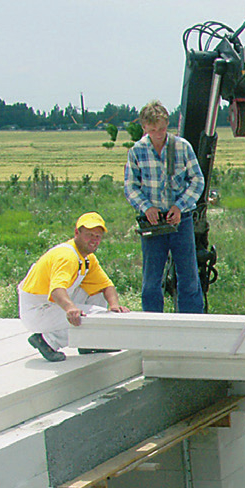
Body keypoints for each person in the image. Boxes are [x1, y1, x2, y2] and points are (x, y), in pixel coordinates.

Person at [124, 100, 205, 313]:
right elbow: (130, 186)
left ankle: (192, 323)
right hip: (153, 222)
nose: (158, 134)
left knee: (188, 276)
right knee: (151, 279)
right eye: (152, 130)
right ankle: (153, 325)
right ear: (144, 128)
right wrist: (146, 207)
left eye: (161, 129)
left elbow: (197, 180)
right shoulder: (136, 151)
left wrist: (180, 207)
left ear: (168, 124)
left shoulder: (182, 146)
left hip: (181, 219)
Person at [18, 212, 129, 362]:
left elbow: (106, 285)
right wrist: (71, 309)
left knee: (98, 295)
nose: (94, 240)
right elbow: (57, 291)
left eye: (97, 236)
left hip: (50, 303)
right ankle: (47, 341)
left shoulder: (87, 258)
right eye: (89, 235)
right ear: (77, 232)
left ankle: (88, 343)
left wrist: (114, 306)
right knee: (98, 316)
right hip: (38, 310)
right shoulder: (67, 256)